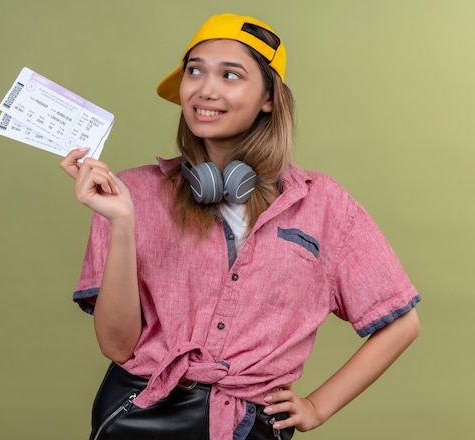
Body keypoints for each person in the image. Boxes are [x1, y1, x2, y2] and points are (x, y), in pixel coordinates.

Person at [60, 13, 421, 440]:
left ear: (269, 98)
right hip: (139, 414)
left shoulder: (325, 205)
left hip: (250, 426)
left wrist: (317, 407)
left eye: (231, 75)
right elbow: (118, 346)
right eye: (195, 71)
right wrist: (121, 223)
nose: (205, 89)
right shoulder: (129, 193)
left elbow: (401, 324)